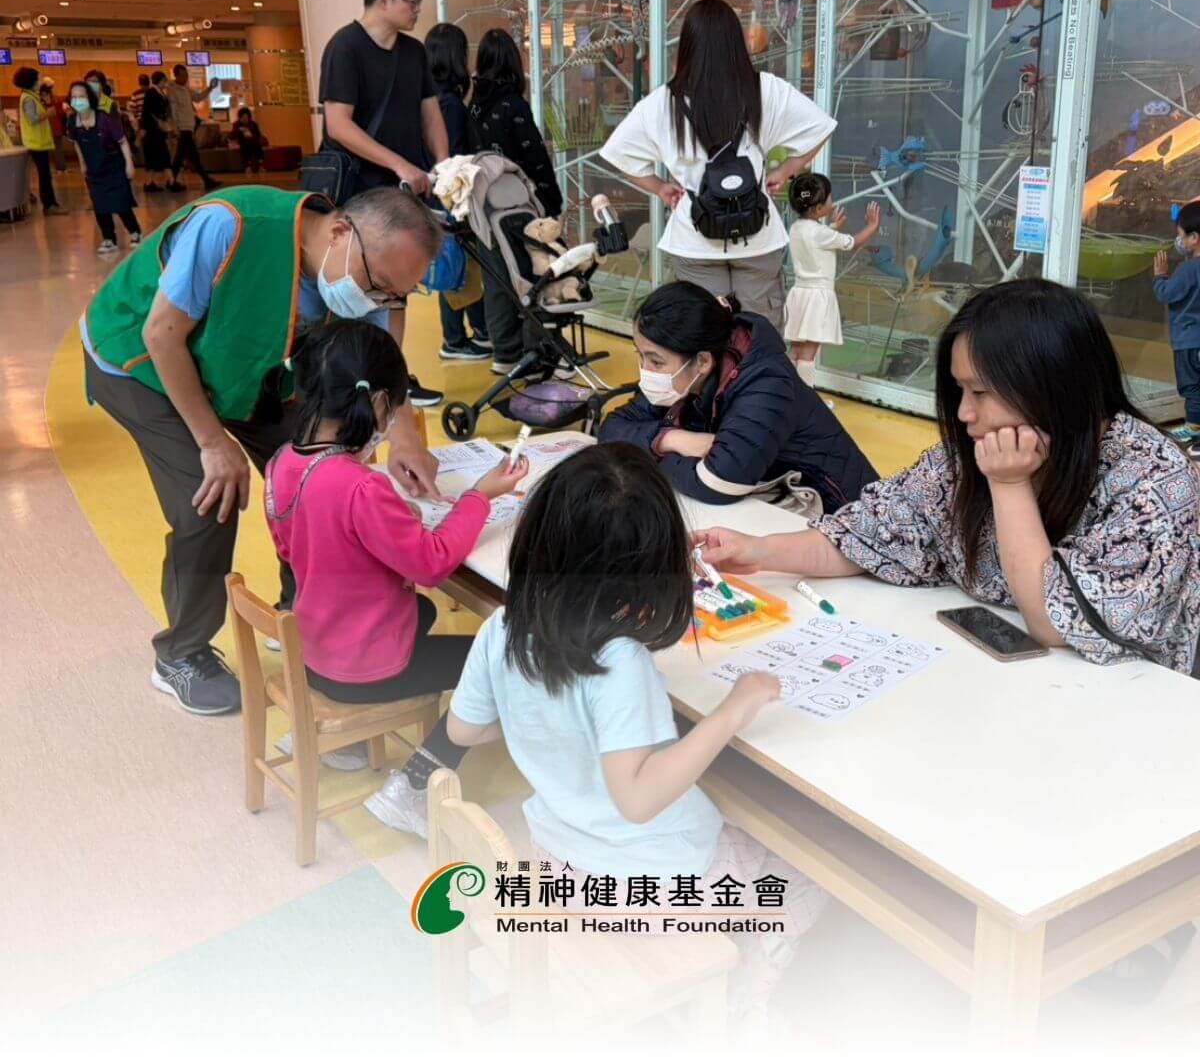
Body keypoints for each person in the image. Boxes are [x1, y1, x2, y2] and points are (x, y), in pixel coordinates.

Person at [446, 443, 828, 1016]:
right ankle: (746, 987)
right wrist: (734, 708)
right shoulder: (619, 659)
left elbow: (462, 730)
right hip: (648, 882)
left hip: (559, 856)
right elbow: (638, 799)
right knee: (807, 873)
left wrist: (547, 721)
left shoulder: (503, 625)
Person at [696, 280, 1200, 675]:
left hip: (1123, 710)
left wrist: (1009, 486)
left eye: (980, 393)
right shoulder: (966, 456)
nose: (963, 413)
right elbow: (873, 533)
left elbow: (1055, 622)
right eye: (959, 390)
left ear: (1051, 387)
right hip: (993, 682)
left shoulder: (1153, 479)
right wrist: (757, 551)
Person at [81, 185, 445, 715]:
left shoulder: (359, 274)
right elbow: (162, 335)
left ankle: (305, 616)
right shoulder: (229, 225)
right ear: (341, 232)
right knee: (209, 497)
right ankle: (181, 653)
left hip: (240, 366)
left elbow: (380, 361)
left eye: (393, 296)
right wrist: (212, 442)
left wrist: (404, 439)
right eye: (376, 284)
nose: (376, 301)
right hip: (142, 362)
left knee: (321, 471)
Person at [264, 319, 526, 805]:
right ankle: (414, 786)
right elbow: (431, 564)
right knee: (500, 660)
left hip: (314, 646)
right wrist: (479, 496)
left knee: (423, 611)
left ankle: (338, 738)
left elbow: (290, 545)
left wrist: (379, 530)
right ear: (381, 403)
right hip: (361, 667)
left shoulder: (282, 461)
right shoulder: (360, 486)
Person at [599, 0, 838, 329]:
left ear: (687, 45)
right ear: (736, 42)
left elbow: (618, 153)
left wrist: (661, 187)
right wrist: (785, 171)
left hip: (694, 236)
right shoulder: (765, 89)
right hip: (758, 235)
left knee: (705, 333)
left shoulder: (664, 102)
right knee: (759, 334)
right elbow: (821, 127)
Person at [600, 281, 877, 515]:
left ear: (703, 362)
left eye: (656, 361)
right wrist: (669, 440)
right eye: (641, 356)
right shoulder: (683, 375)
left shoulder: (766, 383)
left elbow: (717, 483)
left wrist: (646, 452)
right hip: (773, 506)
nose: (645, 371)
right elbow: (612, 427)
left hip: (845, 519)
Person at [317, 0, 449, 408]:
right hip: (358, 191)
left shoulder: (414, 53)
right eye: (412, 2)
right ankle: (341, 380)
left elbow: (429, 112)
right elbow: (338, 125)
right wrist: (399, 164)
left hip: (402, 193)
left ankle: (393, 377)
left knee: (397, 287)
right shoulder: (345, 47)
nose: (417, 10)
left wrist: (444, 164)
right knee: (350, 286)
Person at [469, 28, 563, 374]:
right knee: (533, 274)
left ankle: (505, 354)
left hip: (483, 207)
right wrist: (551, 203)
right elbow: (534, 158)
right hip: (520, 207)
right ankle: (538, 351)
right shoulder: (513, 104)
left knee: (496, 279)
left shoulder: (473, 104)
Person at [426, 22, 490, 362]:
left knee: (452, 264)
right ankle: (456, 338)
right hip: (451, 196)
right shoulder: (449, 104)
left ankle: (470, 333)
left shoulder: (427, 100)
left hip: (433, 195)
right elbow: (451, 156)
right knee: (457, 266)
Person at [785, 173, 881, 386]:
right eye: (830, 197)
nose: (833, 201)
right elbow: (852, 242)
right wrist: (872, 226)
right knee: (809, 351)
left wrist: (833, 227)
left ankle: (788, 394)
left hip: (800, 295)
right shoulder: (821, 233)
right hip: (817, 297)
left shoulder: (796, 227)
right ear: (819, 208)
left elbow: (815, 239)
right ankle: (806, 398)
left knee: (796, 349)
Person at [65, 80, 141, 256]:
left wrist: (129, 165)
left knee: (120, 203)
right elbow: (77, 143)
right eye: (74, 97)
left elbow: (122, 142)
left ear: (90, 98)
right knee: (100, 205)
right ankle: (109, 239)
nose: (77, 100)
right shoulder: (72, 122)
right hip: (94, 169)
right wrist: (82, 164)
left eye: (81, 96)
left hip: (114, 166)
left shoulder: (104, 119)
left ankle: (135, 231)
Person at [1154, 200, 1200, 460]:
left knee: (1192, 386)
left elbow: (1166, 294)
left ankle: (1193, 430)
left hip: (1188, 341)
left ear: (1194, 238)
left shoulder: (1187, 269)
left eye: (1181, 235)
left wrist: (1160, 275)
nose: (1178, 240)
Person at [13, 67, 65, 216]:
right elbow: (32, 119)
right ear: (31, 81)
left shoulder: (31, 96)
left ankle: (50, 203)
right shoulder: (28, 99)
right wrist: (47, 113)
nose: (40, 81)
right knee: (45, 176)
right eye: (38, 78)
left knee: (45, 175)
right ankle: (49, 205)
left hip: (37, 142)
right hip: (35, 143)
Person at [165, 64, 220, 192]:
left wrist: (210, 88)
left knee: (182, 156)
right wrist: (176, 128)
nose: (186, 78)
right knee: (190, 156)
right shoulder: (172, 90)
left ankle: (172, 181)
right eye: (183, 75)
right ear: (176, 75)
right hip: (183, 128)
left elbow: (198, 98)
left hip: (188, 127)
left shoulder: (185, 89)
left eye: (186, 75)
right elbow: (173, 111)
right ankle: (205, 180)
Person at [140, 70, 173, 193]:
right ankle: (169, 181)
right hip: (153, 131)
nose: (166, 83)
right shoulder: (151, 93)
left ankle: (155, 182)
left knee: (160, 156)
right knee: (159, 155)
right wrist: (144, 128)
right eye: (165, 80)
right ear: (160, 80)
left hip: (156, 131)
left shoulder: (160, 92)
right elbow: (146, 112)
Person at [229, 106, 268, 176]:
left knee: (256, 145)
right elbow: (232, 136)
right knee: (245, 146)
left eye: (246, 117)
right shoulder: (236, 124)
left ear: (249, 117)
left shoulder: (253, 124)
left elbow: (258, 135)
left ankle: (260, 165)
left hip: (253, 141)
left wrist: (251, 135)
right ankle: (247, 167)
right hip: (242, 142)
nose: (244, 119)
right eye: (243, 117)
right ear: (240, 117)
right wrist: (238, 130)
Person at [39, 80, 67, 173]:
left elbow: (61, 113)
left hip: (52, 128)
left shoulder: (55, 100)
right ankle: (60, 168)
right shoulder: (55, 100)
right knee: (56, 149)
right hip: (51, 128)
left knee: (56, 149)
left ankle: (60, 167)